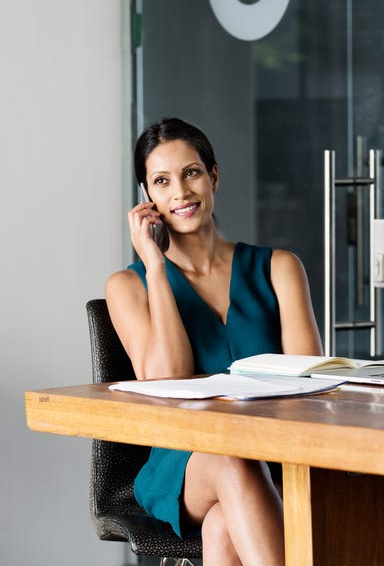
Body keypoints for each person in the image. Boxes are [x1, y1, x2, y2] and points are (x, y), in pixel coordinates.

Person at [106, 117, 322, 565]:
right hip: (185, 465)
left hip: (277, 453)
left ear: (214, 177)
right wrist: (156, 268)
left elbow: (310, 389)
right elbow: (166, 378)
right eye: (162, 181)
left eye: (191, 173)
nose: (180, 193)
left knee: (223, 526)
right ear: (148, 198)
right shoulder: (128, 287)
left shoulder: (279, 268)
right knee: (230, 460)